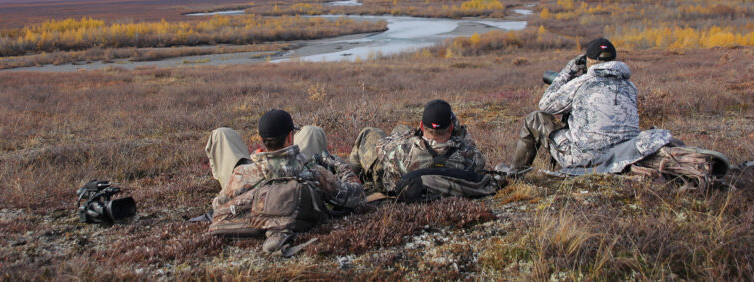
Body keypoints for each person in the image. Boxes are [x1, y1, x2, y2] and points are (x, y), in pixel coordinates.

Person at [208, 109, 364, 252]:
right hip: (300, 183)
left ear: (262, 139)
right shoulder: (313, 172)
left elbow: (218, 206)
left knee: (222, 134)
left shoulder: (242, 174)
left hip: (251, 183)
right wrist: (341, 166)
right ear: (290, 137)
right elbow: (355, 196)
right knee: (312, 132)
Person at [510, 38, 641, 170]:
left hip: (586, 161)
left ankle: (515, 173)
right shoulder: (630, 86)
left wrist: (568, 71)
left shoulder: (582, 82)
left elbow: (545, 106)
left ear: (588, 60)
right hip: (624, 157)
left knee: (535, 118)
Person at [349, 99, 487, 195]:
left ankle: (356, 179)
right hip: (437, 181)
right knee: (400, 128)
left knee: (370, 133)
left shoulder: (402, 152)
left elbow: (381, 146)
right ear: (451, 128)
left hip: (390, 183)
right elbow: (467, 142)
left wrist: (412, 134)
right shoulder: (471, 157)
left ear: (421, 126)